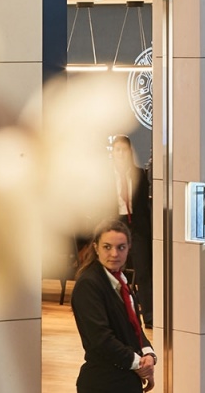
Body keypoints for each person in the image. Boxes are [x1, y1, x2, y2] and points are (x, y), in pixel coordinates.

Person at [70, 218, 157, 392]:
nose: (114, 254)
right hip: (103, 383)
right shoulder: (89, 285)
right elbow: (100, 339)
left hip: (126, 380)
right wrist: (139, 364)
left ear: (129, 248)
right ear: (96, 248)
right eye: (107, 247)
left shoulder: (121, 280)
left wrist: (148, 354)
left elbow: (135, 328)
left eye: (121, 247)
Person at [111, 135, 152, 326]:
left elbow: (144, 205)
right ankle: (116, 315)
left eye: (124, 150)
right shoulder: (105, 177)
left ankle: (149, 316)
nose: (121, 154)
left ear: (130, 152)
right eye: (117, 150)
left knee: (143, 270)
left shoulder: (139, 174)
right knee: (113, 270)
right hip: (115, 224)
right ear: (113, 153)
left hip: (136, 225)